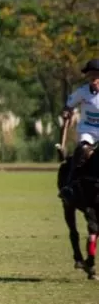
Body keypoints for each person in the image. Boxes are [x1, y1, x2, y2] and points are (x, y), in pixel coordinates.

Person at [59, 58, 99, 200]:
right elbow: (69, 105)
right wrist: (66, 111)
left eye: (97, 75)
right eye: (91, 75)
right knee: (82, 151)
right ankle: (69, 185)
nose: (94, 78)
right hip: (88, 130)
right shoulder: (82, 92)